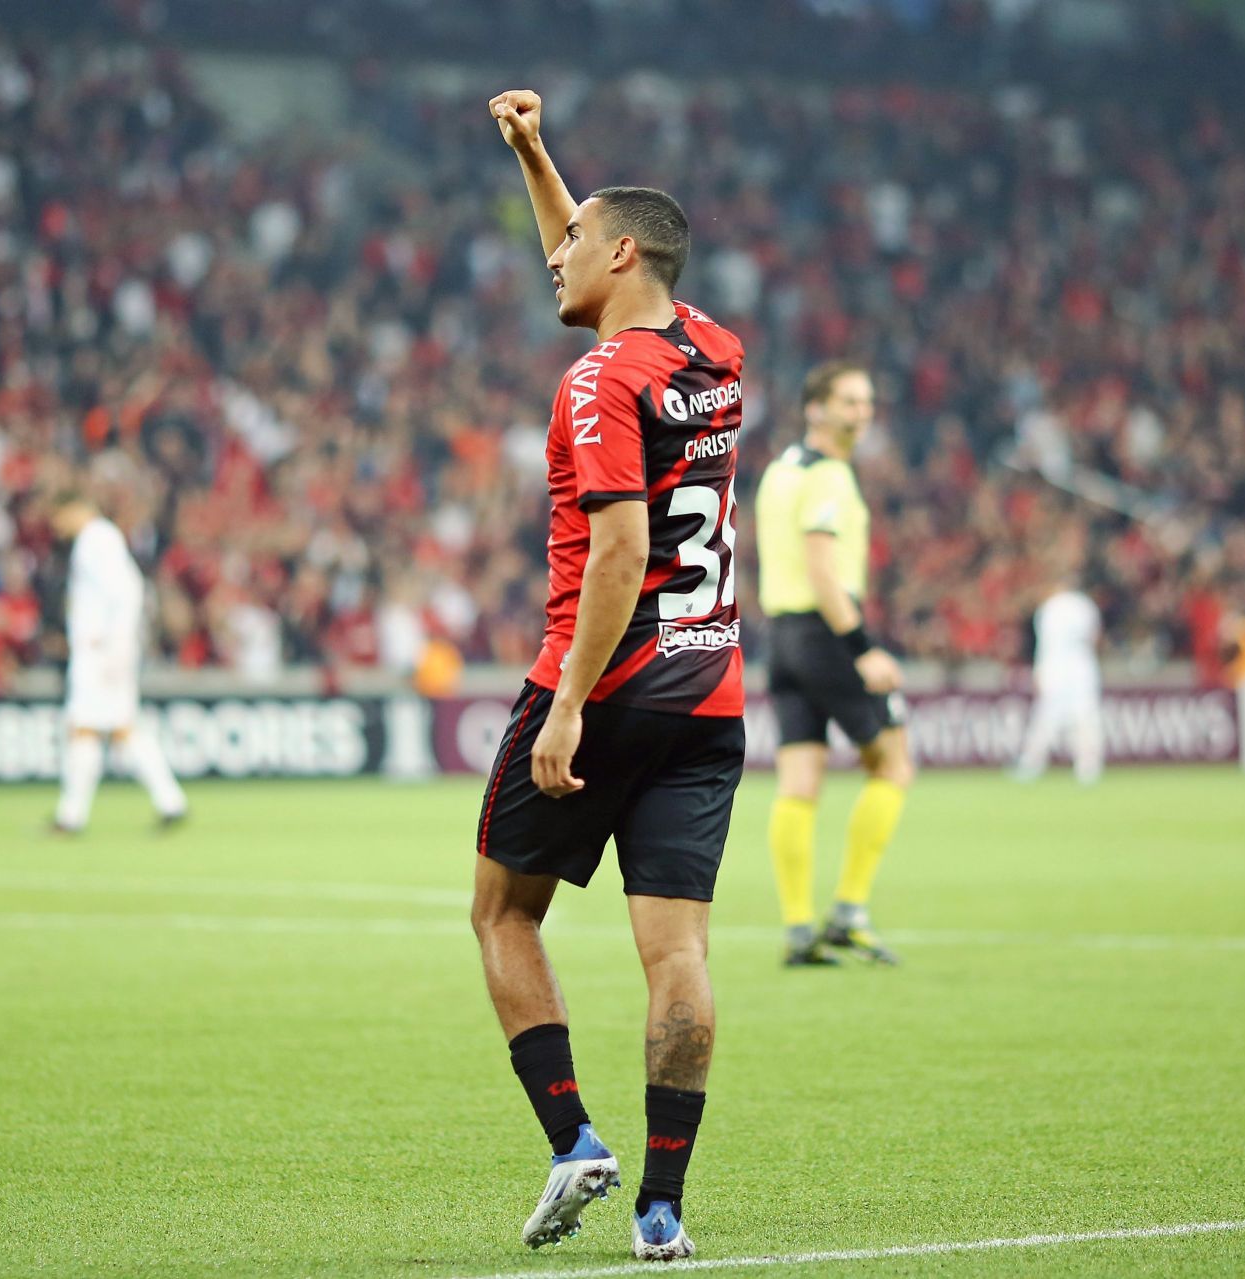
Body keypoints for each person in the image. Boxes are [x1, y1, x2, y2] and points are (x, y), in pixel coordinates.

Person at [471, 89, 747, 1262]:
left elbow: (623, 546)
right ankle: (663, 1208)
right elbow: (588, 267)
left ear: (622, 251)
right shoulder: (715, 352)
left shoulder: (594, 385)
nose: (553, 257)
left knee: (501, 913)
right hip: (711, 694)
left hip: (604, 683)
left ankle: (576, 1138)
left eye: (574, 240)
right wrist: (538, 156)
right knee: (677, 954)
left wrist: (571, 703)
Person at [754, 363, 913, 968]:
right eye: (848, 401)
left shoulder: (780, 471)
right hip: (824, 636)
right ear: (814, 408)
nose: (862, 412)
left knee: (799, 780)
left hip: (783, 638)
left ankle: (799, 928)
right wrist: (863, 647)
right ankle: (848, 912)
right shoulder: (828, 477)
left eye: (866, 401)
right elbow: (823, 570)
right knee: (893, 764)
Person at [49, 492, 188, 835]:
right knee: (123, 727)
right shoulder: (100, 538)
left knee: (83, 727)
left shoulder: (96, 538)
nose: (55, 525)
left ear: (75, 508)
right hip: (107, 649)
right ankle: (170, 801)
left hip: (102, 651)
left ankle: (71, 816)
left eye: (58, 515)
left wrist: (116, 644)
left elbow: (127, 590)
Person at [1012, 581, 1104, 785]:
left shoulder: (1049, 608)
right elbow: (1095, 638)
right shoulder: (1084, 604)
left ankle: (1031, 765)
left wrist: (1038, 672)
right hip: (1083, 666)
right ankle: (1088, 767)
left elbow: (1044, 645)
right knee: (1086, 716)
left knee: (1046, 717)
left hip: (1055, 667)